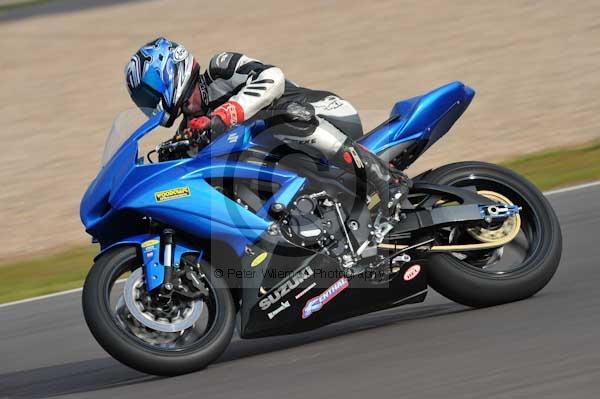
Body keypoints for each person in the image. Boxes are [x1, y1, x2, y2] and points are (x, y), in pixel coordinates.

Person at [124, 37, 408, 221]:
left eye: (148, 95)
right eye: (143, 101)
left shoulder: (221, 69)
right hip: (292, 161)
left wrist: (224, 116)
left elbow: (273, 78)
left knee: (276, 118)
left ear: (166, 72)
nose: (149, 104)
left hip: (321, 113)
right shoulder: (191, 128)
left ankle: (385, 179)